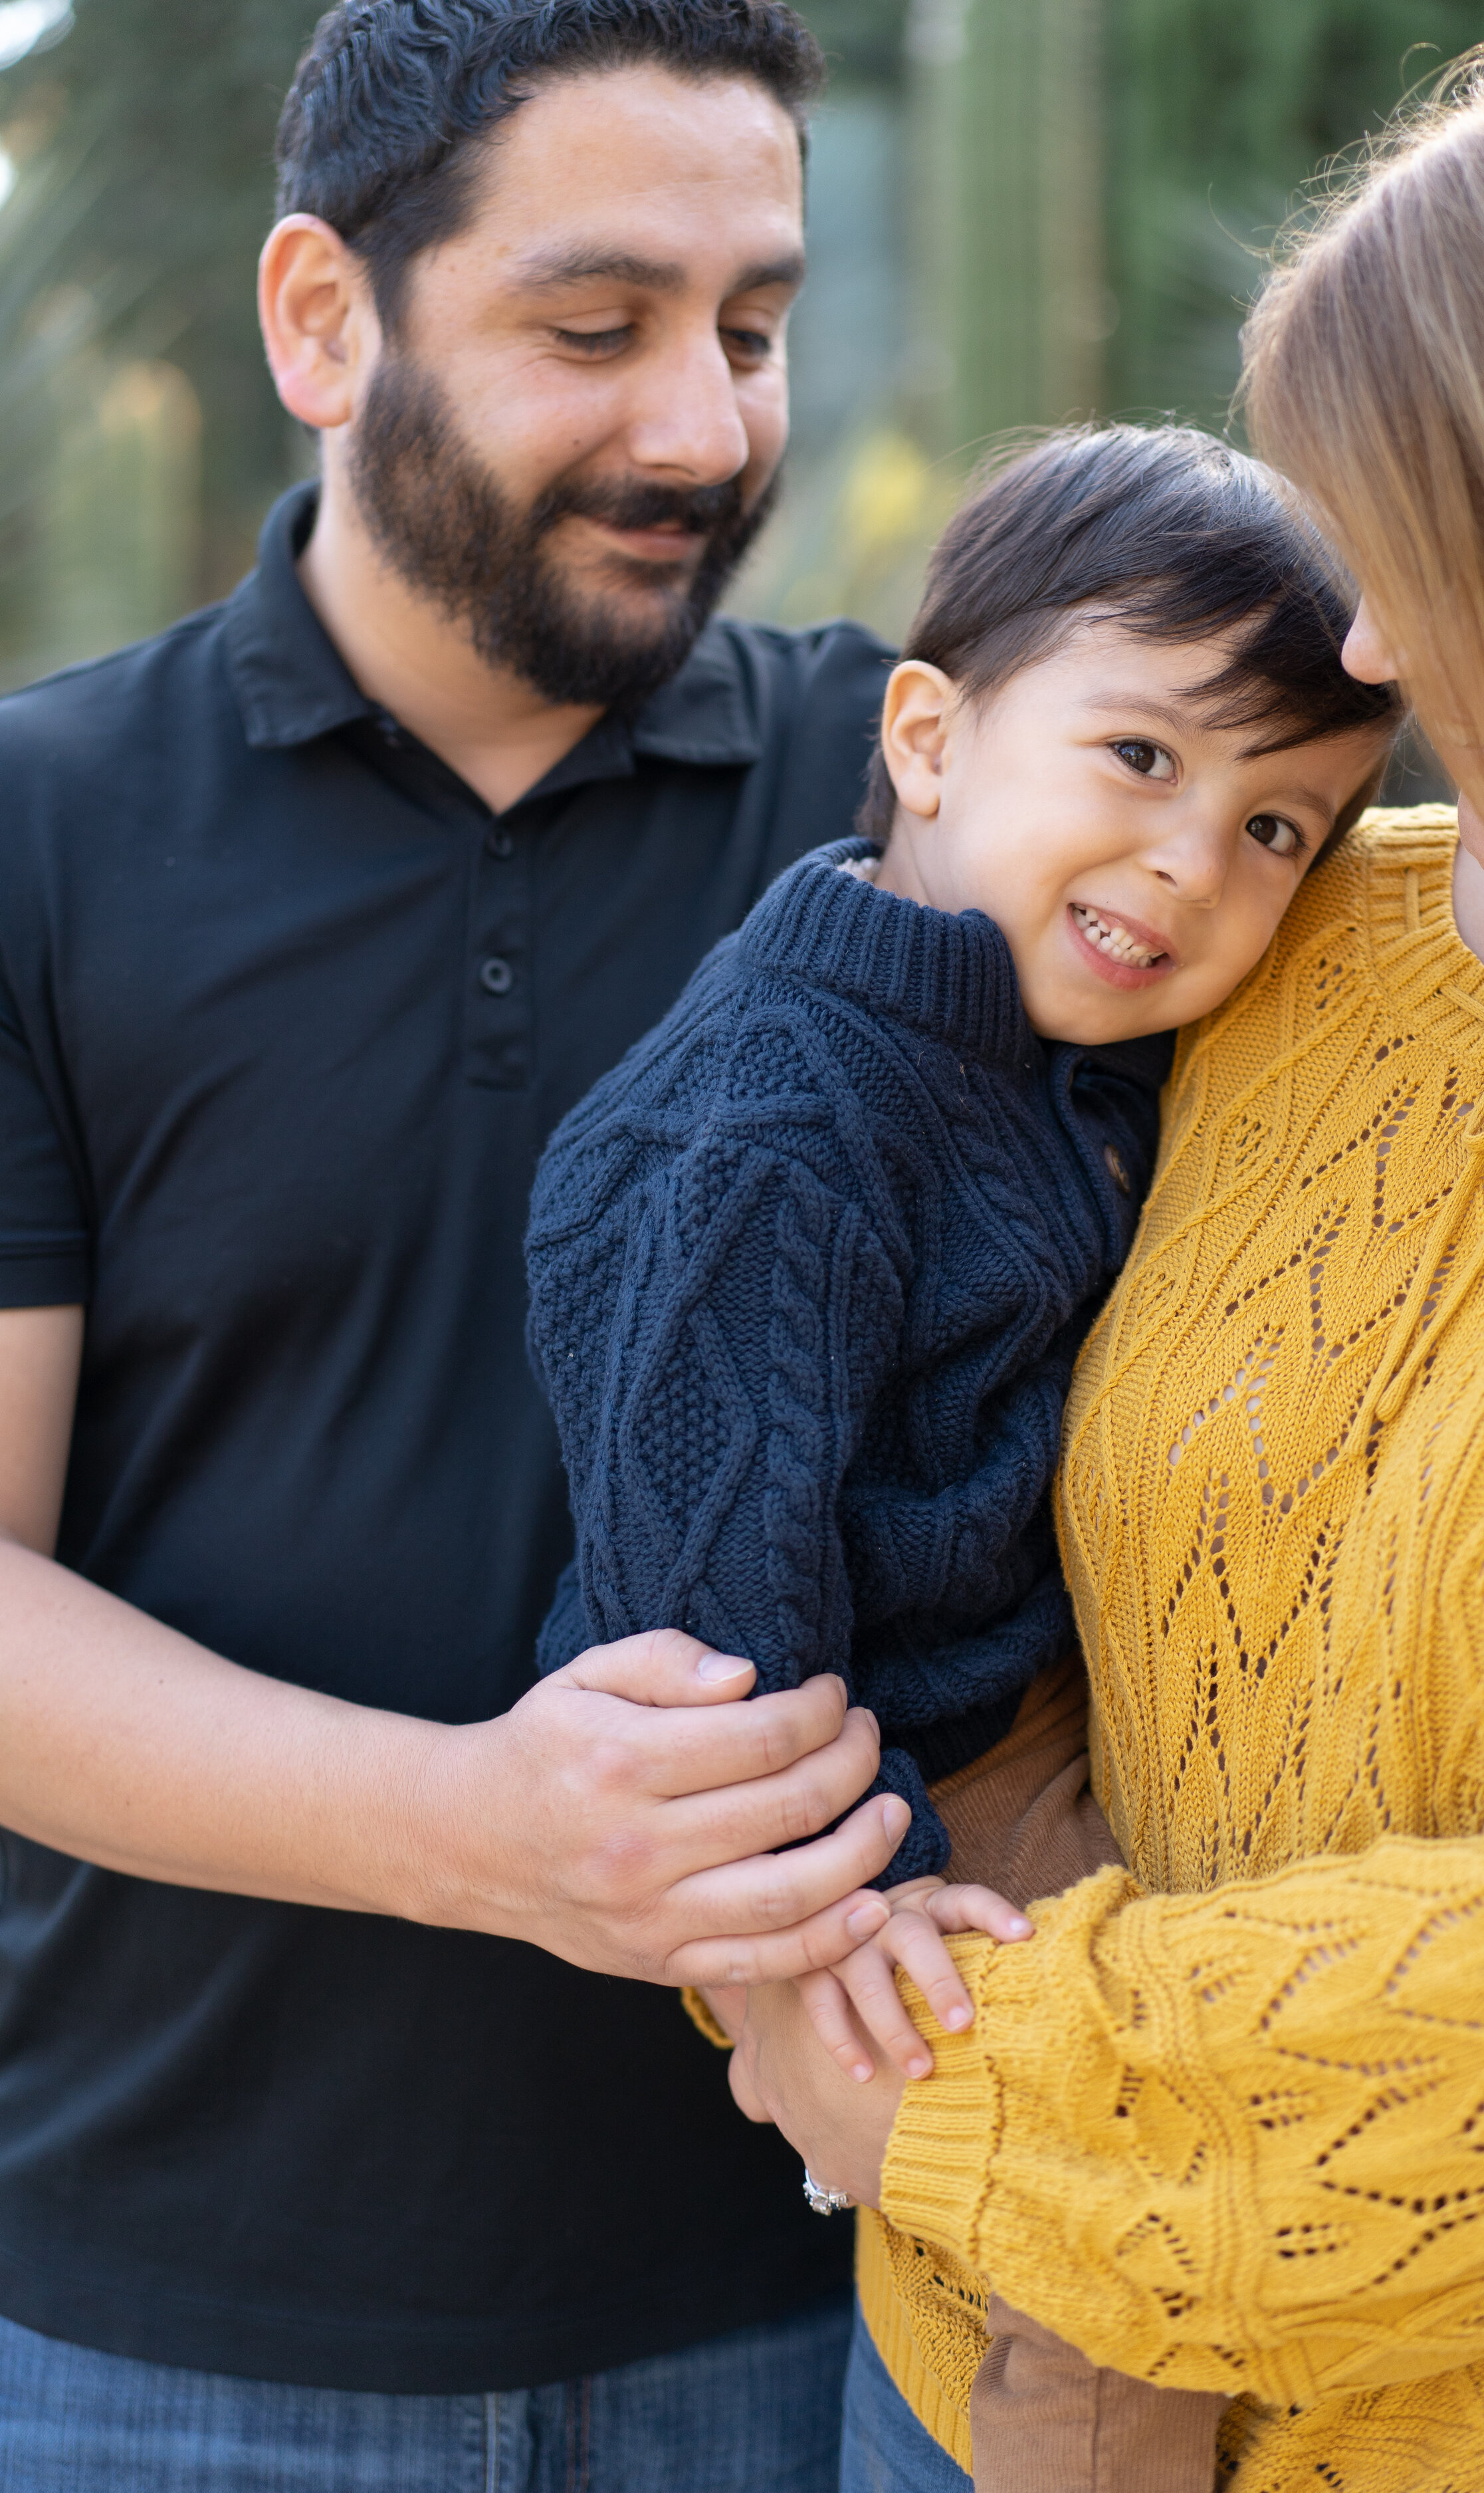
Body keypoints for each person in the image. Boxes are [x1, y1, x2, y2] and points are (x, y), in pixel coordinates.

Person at [720, 10, 1484, 2490]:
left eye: (1415, 551)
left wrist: (894, 2068)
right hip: (960, 2386)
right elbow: (908, 1439)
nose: (1361, 663)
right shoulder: (1263, 949)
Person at [0, 5, 920, 2486]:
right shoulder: (33, 836)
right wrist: (489, 1836)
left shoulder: (916, 814)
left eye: (750, 327)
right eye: (592, 328)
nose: (705, 431)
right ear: (325, 319)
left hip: (844, 2299)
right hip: (161, 2337)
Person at [524, 419, 1399, 2493]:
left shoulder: (1033, 1035)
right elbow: (703, 1603)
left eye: (1282, 827)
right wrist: (860, 1904)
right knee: (1129, 2185)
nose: (1199, 860)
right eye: (1142, 761)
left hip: (1021, 1694)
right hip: (861, 1749)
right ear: (927, 737)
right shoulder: (779, 1130)